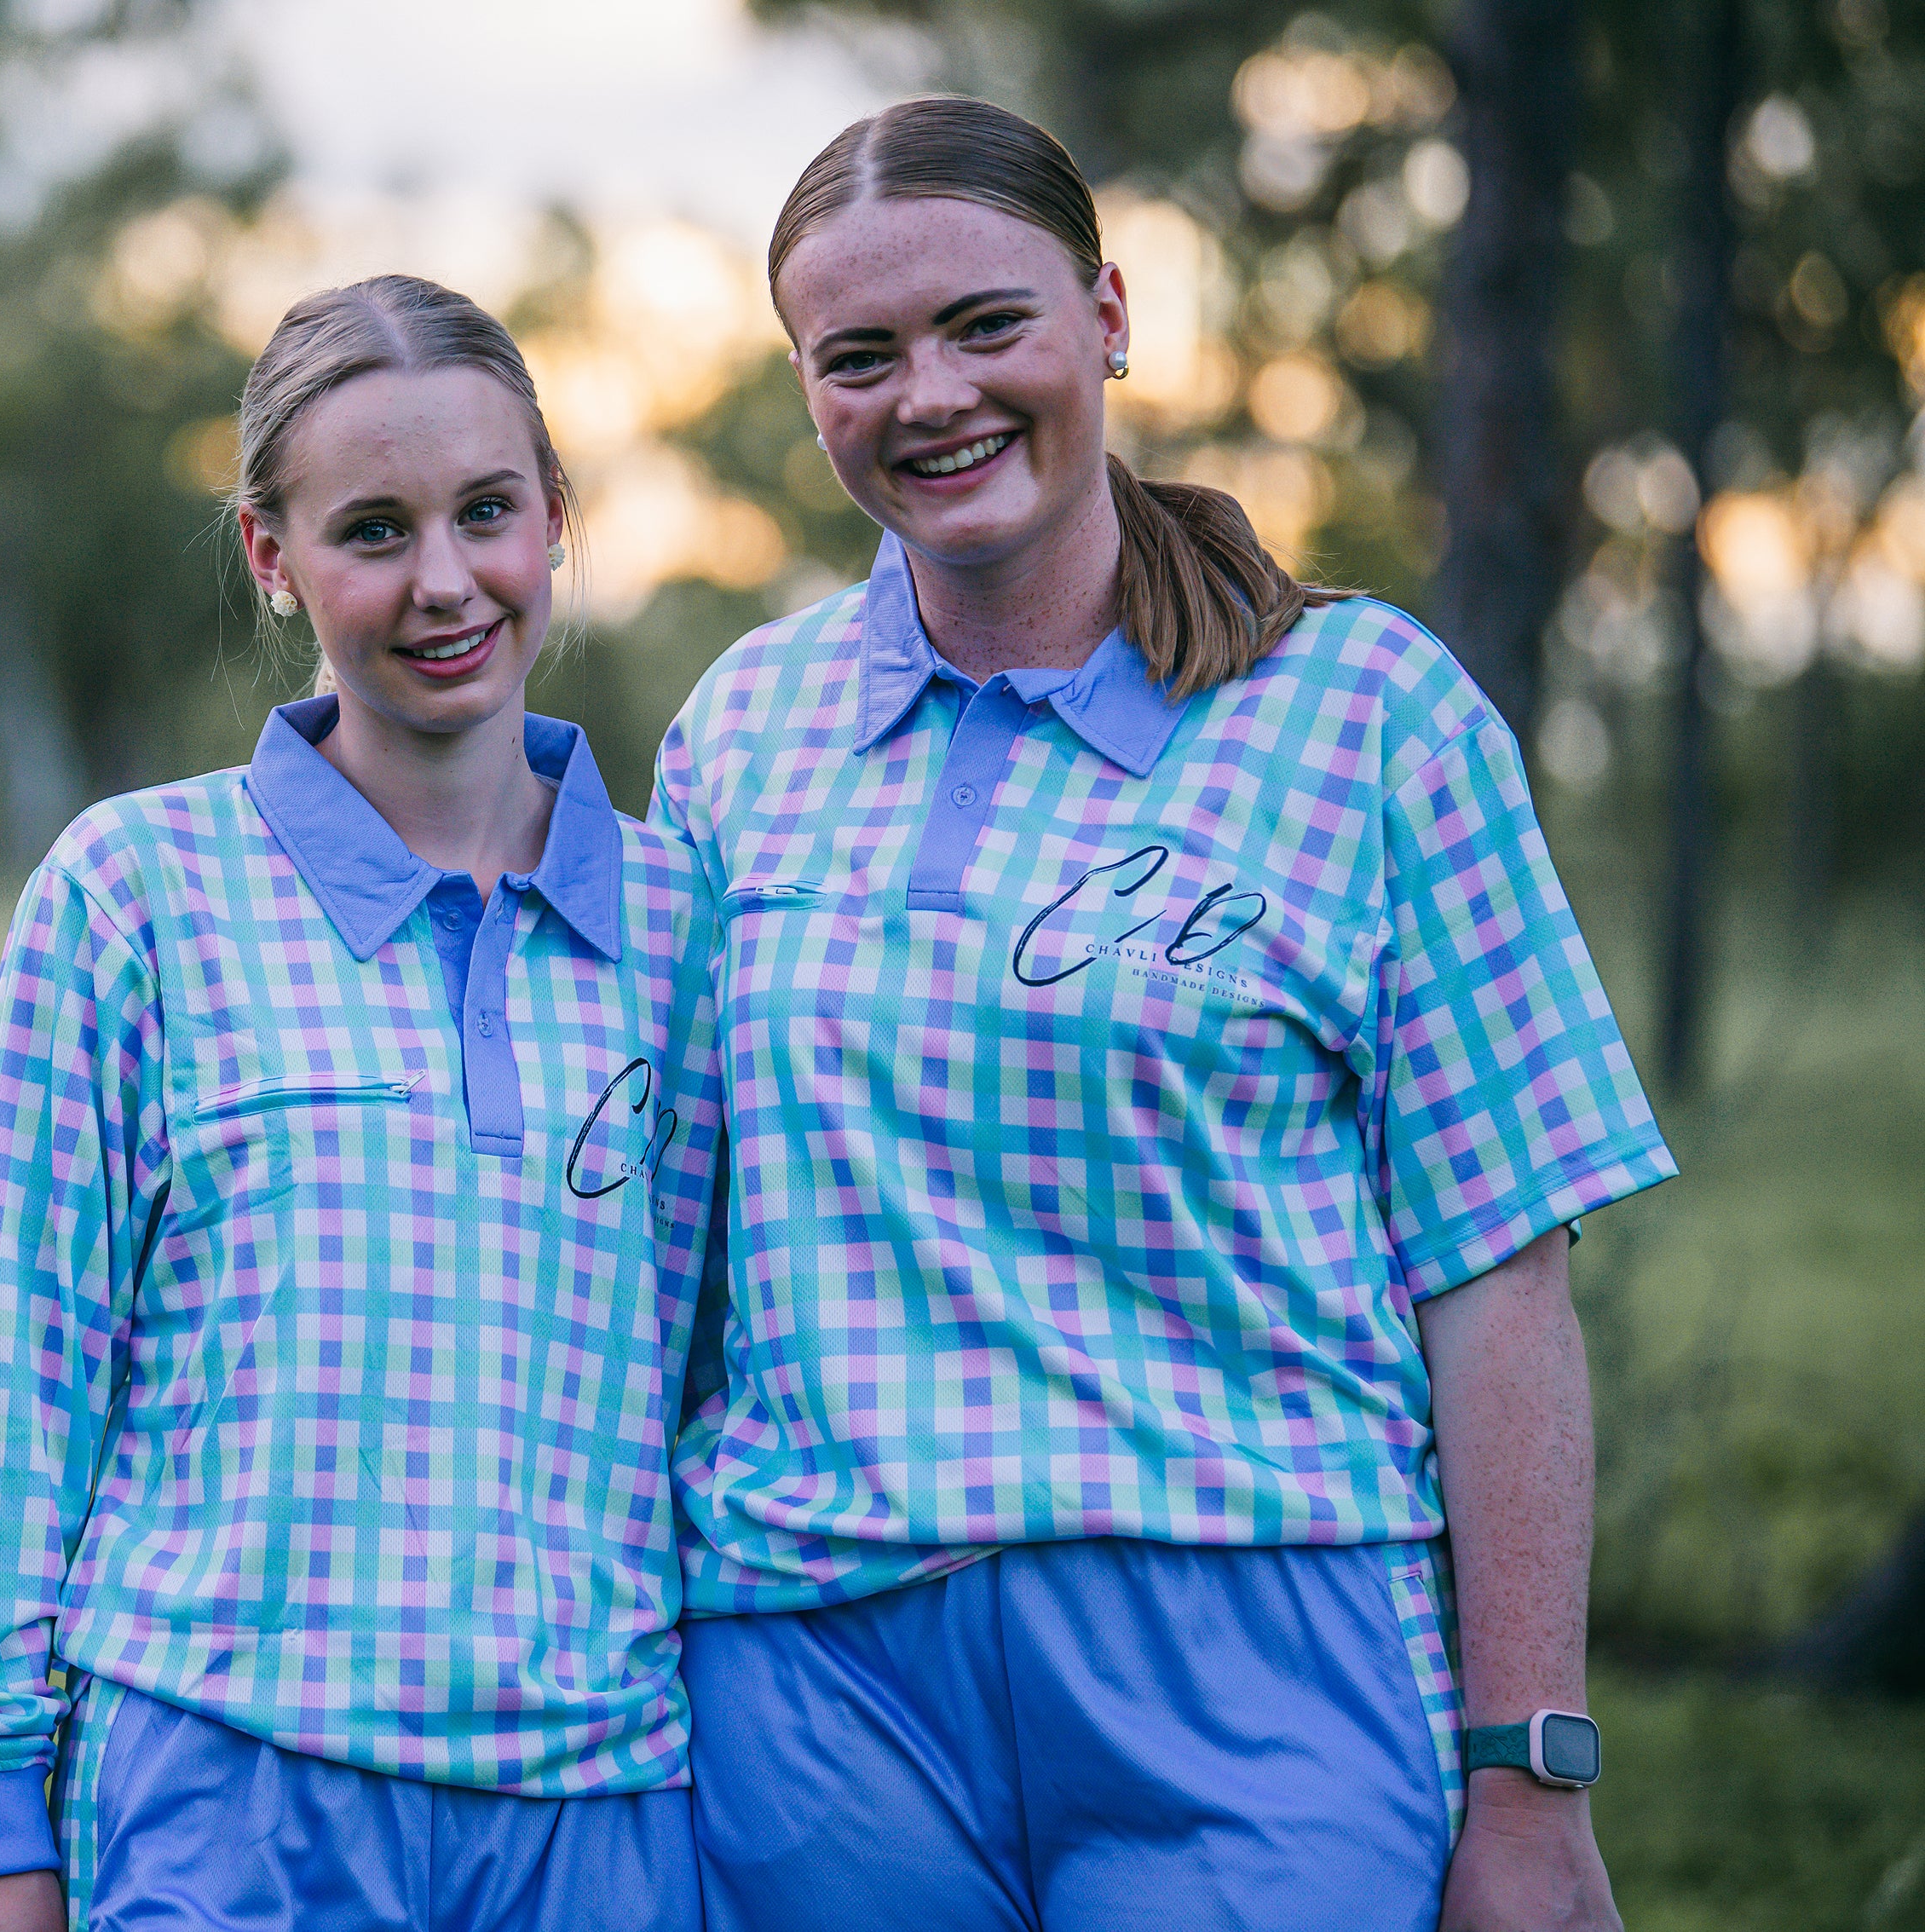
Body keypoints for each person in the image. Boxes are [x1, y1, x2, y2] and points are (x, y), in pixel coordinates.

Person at [654, 97, 1674, 1932]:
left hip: (1259, 1656)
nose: (929, 396)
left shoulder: (1368, 715)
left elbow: (1496, 1272)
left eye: (986, 324)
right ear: (805, 391)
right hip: (811, 1679)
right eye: (857, 357)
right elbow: (670, 1256)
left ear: (1106, 316)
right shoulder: (741, 731)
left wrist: (1528, 1775)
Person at [0, 274, 726, 1932]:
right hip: (229, 1800)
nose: (443, 582)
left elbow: (690, 1387)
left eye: (488, 512)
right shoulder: (133, 894)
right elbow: (10, 1389)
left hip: (598, 1813)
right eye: (371, 529)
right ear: (272, 557)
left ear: (553, 521)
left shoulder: (681, 926)